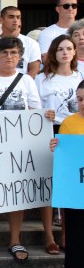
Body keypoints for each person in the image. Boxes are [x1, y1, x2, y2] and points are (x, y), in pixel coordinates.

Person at [0, 37, 53, 264]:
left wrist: (47, 116)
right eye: (4, 53)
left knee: (17, 194)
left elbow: (35, 111)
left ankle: (15, 240)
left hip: (19, 147)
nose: (9, 57)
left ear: (20, 57)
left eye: (14, 53)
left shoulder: (26, 81)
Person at [36, 35, 82, 254]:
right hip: (53, 132)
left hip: (77, 134)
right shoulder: (44, 79)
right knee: (49, 184)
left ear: (74, 52)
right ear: (53, 53)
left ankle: (66, 232)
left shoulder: (80, 75)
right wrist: (45, 113)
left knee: (72, 186)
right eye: (60, 49)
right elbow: (33, 108)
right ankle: (48, 235)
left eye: (69, 48)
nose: (65, 52)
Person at [49, 80, 84, 268]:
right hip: (77, 197)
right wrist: (56, 148)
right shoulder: (70, 123)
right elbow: (67, 159)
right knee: (77, 249)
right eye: (80, 99)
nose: (83, 103)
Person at [0, 6, 41, 78]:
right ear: (1, 20)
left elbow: (34, 70)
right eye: (11, 17)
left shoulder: (32, 43)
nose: (15, 20)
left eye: (18, 17)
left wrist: (22, 84)